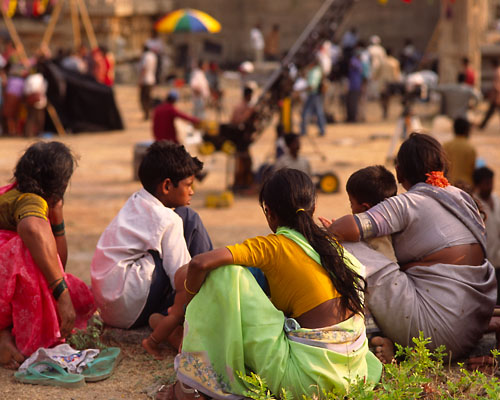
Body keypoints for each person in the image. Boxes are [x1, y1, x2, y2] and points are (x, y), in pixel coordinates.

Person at [167, 168, 381, 400]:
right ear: (314, 208)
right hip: (357, 376)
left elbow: (199, 263)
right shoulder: (331, 246)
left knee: (224, 273)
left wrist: (190, 310)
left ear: (269, 212)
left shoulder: (274, 246)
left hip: (307, 383)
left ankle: (195, 383)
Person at [320, 133, 497, 363]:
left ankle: (370, 334)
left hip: (437, 331)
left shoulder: (408, 203)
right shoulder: (461, 197)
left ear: (399, 171)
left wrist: (326, 232)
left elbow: (349, 228)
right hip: (471, 329)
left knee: (346, 247)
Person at [91, 142, 212, 330]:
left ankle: (195, 297)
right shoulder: (167, 219)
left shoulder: (137, 200)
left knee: (185, 218)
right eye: (188, 185)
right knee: (189, 219)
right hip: (129, 306)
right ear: (166, 186)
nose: (192, 191)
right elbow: (181, 275)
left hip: (109, 308)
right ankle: (207, 297)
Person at [0, 141, 95, 369]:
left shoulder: (12, 193)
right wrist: (62, 295)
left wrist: (57, 215)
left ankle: (4, 334)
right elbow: (32, 229)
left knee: (48, 264)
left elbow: (57, 260)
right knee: (31, 259)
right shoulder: (31, 201)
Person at [345, 166, 397, 262]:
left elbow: (388, 264)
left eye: (351, 203)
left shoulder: (378, 237)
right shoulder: (393, 222)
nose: (350, 207)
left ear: (365, 208)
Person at [473, 166, 500, 303]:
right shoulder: (474, 205)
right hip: (484, 265)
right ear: (478, 185)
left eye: (491, 182)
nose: (490, 186)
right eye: (486, 183)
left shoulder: (496, 200)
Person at [443, 117, 476, 186]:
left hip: (448, 184)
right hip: (466, 186)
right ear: (466, 131)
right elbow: (473, 170)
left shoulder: (445, 146)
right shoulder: (470, 148)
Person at [300, 59, 326, 136]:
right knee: (319, 113)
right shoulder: (317, 70)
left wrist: (300, 91)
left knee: (306, 113)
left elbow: (312, 86)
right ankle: (322, 130)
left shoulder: (315, 72)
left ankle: (304, 131)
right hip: (315, 94)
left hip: (314, 95)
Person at [23, 66, 48, 137]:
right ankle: (38, 133)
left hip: (29, 99)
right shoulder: (40, 78)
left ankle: (28, 133)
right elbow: (43, 89)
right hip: (38, 99)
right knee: (39, 117)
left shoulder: (29, 78)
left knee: (30, 117)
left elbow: (25, 90)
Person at [379, 48, 402, 119]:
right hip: (391, 82)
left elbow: (377, 72)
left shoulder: (382, 62)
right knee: (388, 98)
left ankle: (384, 111)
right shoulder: (395, 62)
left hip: (382, 82)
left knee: (383, 98)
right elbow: (397, 73)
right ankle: (386, 111)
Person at [479, 59, 500, 130]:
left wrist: (494, 96)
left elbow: (496, 86)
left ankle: (482, 125)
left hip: (497, 97)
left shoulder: (497, 72)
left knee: (490, 112)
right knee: (490, 112)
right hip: (497, 96)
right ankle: (482, 125)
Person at [138, 44, 158, 120]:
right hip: (152, 79)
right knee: (149, 98)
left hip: (145, 80)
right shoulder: (153, 56)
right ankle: (150, 113)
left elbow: (144, 68)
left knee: (143, 98)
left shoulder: (145, 56)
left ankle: (147, 114)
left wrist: (140, 80)